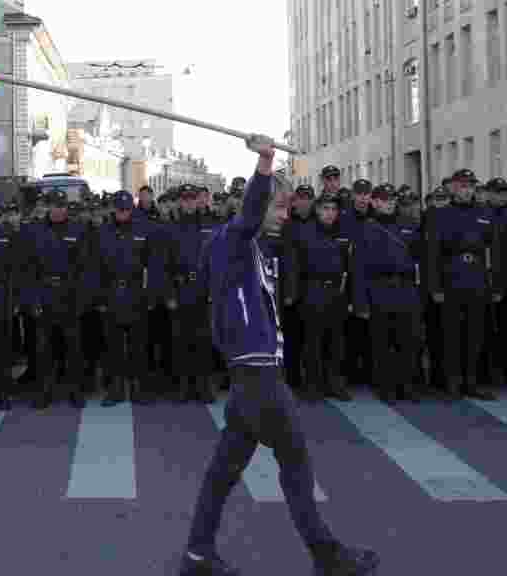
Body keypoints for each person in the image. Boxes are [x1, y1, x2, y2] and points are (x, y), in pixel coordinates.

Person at [179, 134, 379, 576]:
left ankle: (197, 555)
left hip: (253, 378)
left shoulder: (259, 249)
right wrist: (266, 162)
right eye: (279, 207)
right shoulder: (235, 239)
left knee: (223, 472)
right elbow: (251, 210)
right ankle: (328, 557)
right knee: (296, 468)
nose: (285, 215)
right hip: (259, 378)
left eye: (288, 208)